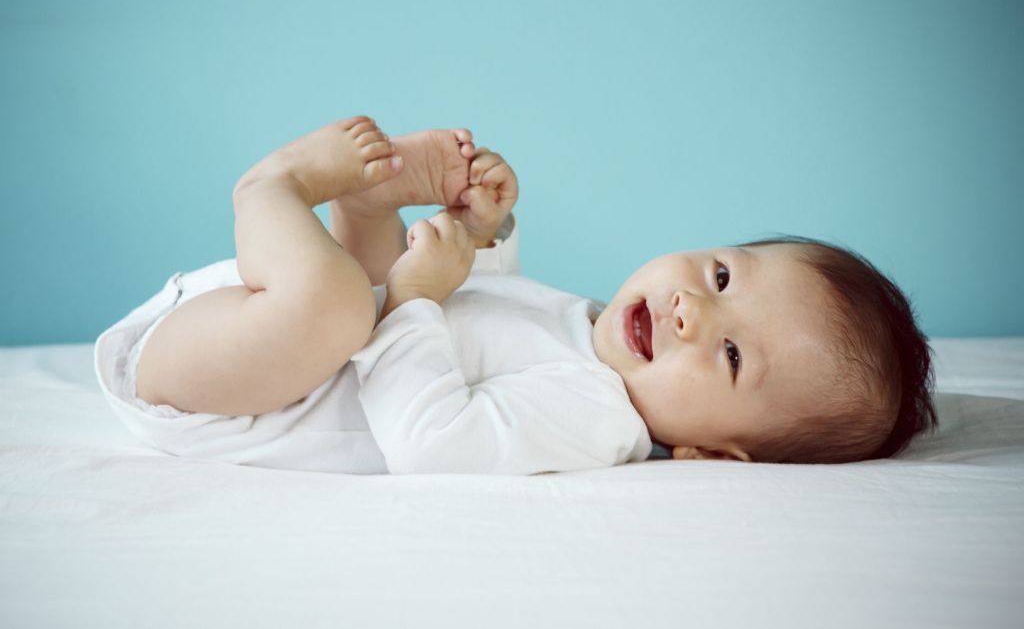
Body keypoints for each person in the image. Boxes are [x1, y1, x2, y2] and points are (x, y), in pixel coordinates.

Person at [94, 116, 938, 474]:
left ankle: (270, 190)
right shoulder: (591, 327)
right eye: (721, 279)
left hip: (226, 394)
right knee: (363, 296)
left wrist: (419, 297)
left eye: (729, 353)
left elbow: (432, 444)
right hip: (247, 331)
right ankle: (367, 206)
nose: (692, 310)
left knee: (351, 307)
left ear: (715, 456)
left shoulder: (601, 418)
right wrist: (478, 233)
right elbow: (485, 316)